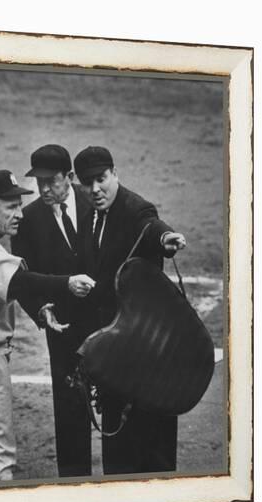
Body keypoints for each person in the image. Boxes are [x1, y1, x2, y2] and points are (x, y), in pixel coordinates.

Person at [0, 169, 95, 482]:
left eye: (19, 205)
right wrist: (67, 283)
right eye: (10, 206)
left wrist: (39, 310)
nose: (19, 214)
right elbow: (24, 281)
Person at [73, 145, 186, 474]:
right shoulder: (93, 212)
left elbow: (151, 226)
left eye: (101, 179)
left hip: (147, 355)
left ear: (115, 174)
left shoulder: (134, 208)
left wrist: (165, 238)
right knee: (119, 451)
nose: (95, 189)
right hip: (117, 353)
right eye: (87, 182)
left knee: (152, 448)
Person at [11, 144, 95, 477]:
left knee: (117, 396)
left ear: (70, 177)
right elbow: (23, 277)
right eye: (39, 181)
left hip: (108, 321)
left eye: (52, 181)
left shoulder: (95, 201)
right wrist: (40, 310)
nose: (44, 189)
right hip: (63, 326)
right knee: (70, 406)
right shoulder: (29, 219)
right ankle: (76, 485)